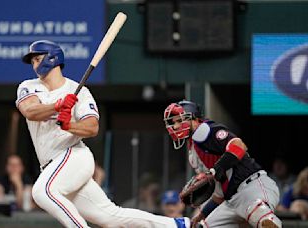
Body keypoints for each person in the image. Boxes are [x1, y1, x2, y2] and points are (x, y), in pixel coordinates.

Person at [16, 40, 190, 228]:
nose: (34, 63)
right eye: (32, 60)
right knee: (109, 216)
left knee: (42, 191)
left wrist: (69, 125)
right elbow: (30, 111)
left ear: (53, 58)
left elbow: (92, 127)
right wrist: (57, 106)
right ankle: (178, 224)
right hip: (52, 165)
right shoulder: (29, 86)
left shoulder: (79, 91)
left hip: (73, 155)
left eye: (37, 58)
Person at [163, 100, 282, 227]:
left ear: (193, 117)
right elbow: (219, 194)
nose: (175, 126)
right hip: (231, 200)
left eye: (179, 120)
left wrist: (217, 168)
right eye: (173, 122)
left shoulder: (205, 130)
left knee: (263, 219)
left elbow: (239, 146)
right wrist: (203, 214)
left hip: (252, 187)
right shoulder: (194, 151)